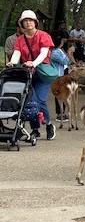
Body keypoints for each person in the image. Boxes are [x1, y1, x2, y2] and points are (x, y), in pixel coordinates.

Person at [8, 10, 56, 140]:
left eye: (30, 20)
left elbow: (44, 53)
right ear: (22, 24)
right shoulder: (20, 40)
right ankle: (35, 129)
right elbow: (17, 53)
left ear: (35, 22)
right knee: (29, 101)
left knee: (39, 100)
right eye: (25, 20)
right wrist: (12, 62)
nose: (28, 22)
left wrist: (33, 63)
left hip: (42, 73)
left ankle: (49, 124)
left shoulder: (43, 36)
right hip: (27, 73)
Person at [51, 35, 71, 121]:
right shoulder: (55, 52)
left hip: (62, 73)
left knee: (63, 93)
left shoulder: (59, 51)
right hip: (57, 75)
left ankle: (62, 112)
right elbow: (65, 61)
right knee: (58, 94)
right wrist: (69, 53)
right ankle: (59, 113)